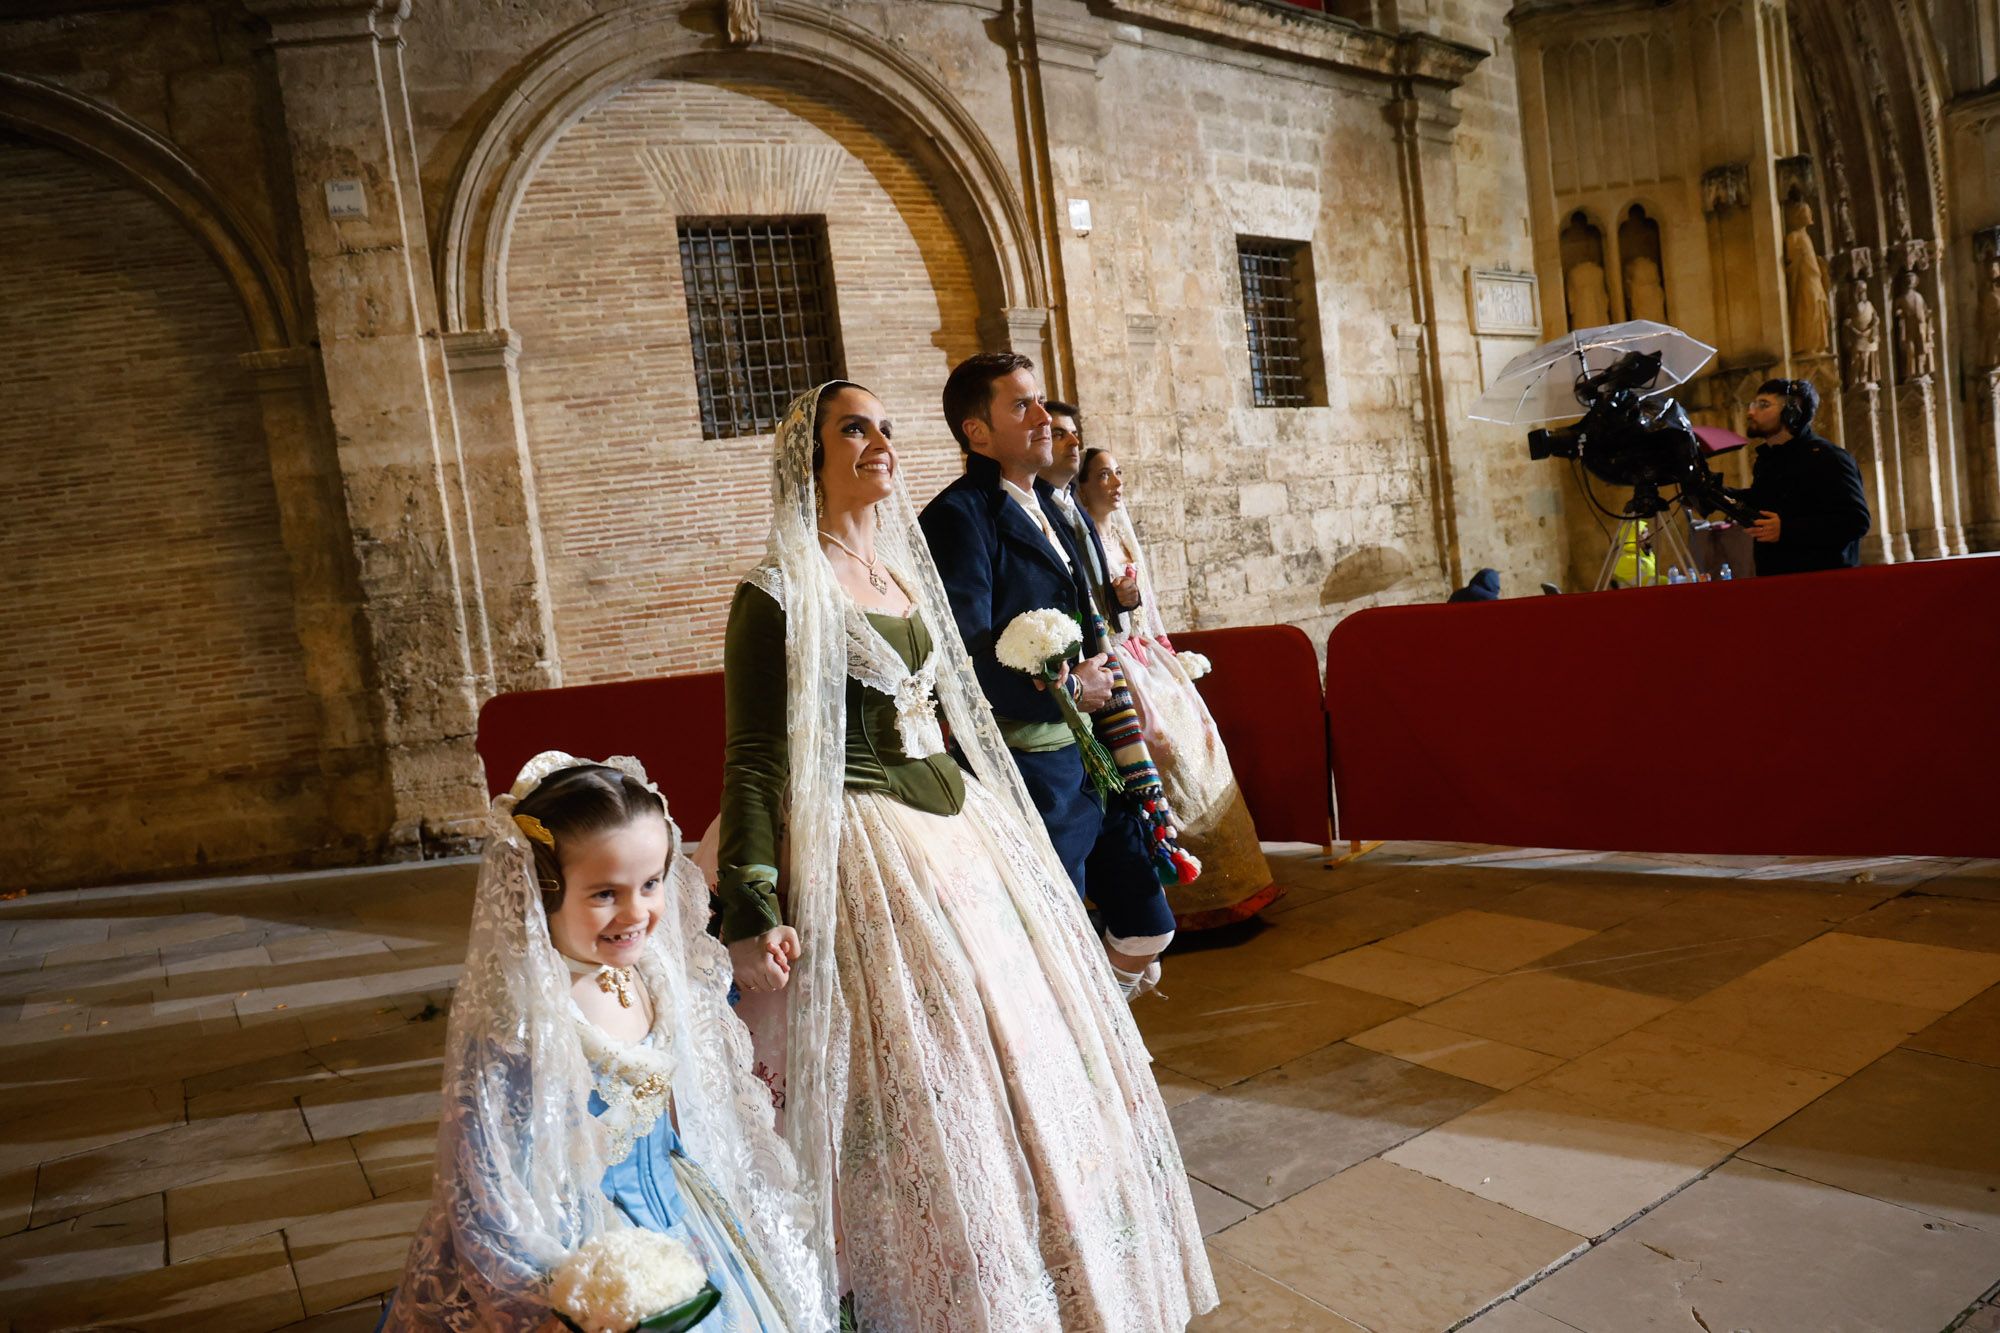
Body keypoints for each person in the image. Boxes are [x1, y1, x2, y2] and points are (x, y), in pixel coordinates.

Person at [715, 380, 1216, 1332]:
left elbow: (953, 713)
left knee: (1024, 1037)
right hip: (864, 837)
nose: (878, 440)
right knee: (929, 1062)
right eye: (851, 427)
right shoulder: (776, 591)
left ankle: (1061, 1272)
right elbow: (753, 759)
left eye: (884, 427)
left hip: (959, 826)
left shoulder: (905, 579)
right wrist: (752, 904)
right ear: (806, 459)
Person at [383, 753, 823, 1332]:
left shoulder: (652, 972)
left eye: (651, 883)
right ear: (543, 889)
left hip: (680, 1219)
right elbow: (489, 1188)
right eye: (604, 894)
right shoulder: (525, 1022)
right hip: (582, 1248)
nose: (636, 913)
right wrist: (560, 1296)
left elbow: (687, 1077)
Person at [920, 354, 1180, 993]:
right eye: (1020, 406)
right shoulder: (958, 518)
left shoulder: (1057, 507)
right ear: (976, 433)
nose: (1044, 417)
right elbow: (961, 659)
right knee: (1049, 939)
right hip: (1032, 769)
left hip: (1098, 755)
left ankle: (1099, 1021)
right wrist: (1067, 691)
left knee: (1150, 926)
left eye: (1039, 401)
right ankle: (1084, 1054)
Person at [1067, 433, 1283, 930]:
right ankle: (1179, 899)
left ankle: (1234, 888)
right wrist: (1113, 602)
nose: (1116, 482)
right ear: (1081, 487)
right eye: (1103, 474)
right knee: (1164, 754)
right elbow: (1091, 616)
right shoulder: (1079, 538)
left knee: (1203, 752)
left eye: (1119, 472)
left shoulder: (1120, 532)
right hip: (1115, 660)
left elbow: (1146, 608)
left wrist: (1165, 651)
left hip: (1145, 658)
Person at [1732, 378, 1870, 576]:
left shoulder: (1828, 458)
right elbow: (1760, 502)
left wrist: (1787, 529)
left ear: (1792, 411)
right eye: (1753, 404)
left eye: (1763, 405)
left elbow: (1856, 521)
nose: (1751, 412)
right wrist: (1711, 493)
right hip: (1777, 581)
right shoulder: (1768, 460)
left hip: (1823, 583)